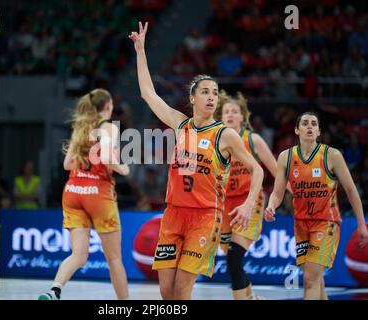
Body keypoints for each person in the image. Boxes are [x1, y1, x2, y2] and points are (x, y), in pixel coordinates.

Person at [129, 22, 264, 300]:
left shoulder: (225, 135)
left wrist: (250, 203)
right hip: (173, 215)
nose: (212, 97)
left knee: (182, 288)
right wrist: (141, 51)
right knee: (167, 292)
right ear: (192, 98)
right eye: (205, 91)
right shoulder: (180, 124)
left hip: (204, 217)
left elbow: (257, 169)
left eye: (215, 92)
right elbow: (148, 94)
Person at [264, 112, 368, 300]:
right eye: (305, 123)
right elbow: (278, 192)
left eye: (314, 124)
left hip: (326, 221)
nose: (310, 126)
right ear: (297, 129)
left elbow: (352, 191)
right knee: (315, 278)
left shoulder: (332, 155)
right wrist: (271, 206)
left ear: (319, 131)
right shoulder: (285, 157)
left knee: (310, 279)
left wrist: (361, 224)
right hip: (301, 224)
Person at [38, 88, 130, 300]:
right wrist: (123, 168)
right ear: (108, 107)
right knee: (114, 259)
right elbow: (107, 158)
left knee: (78, 255)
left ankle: (54, 290)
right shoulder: (108, 127)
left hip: (73, 190)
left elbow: (67, 163)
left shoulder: (80, 128)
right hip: (97, 192)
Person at [214, 91, 278, 300]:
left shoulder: (253, 140)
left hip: (250, 202)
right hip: (225, 207)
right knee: (232, 262)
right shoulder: (216, 141)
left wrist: (288, 198)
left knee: (234, 258)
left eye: (235, 111)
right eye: (226, 112)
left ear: (242, 116)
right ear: (221, 117)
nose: (231, 115)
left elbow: (278, 172)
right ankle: (251, 297)